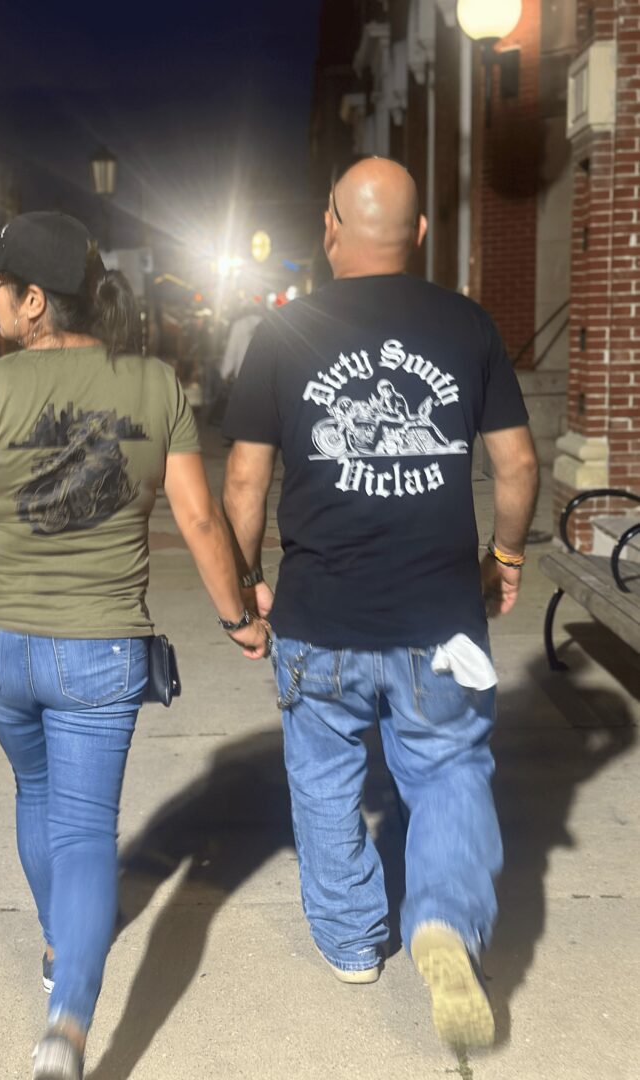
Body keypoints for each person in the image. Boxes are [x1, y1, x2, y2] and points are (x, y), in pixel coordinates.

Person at [0, 211, 269, 1080]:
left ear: (35, 301)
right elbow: (200, 519)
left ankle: (60, 942)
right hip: (100, 651)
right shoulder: (155, 385)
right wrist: (240, 616)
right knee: (86, 829)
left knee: (35, 788)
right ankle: (67, 1022)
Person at [221, 158, 539, 1050]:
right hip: (440, 614)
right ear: (420, 235)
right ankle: (443, 921)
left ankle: (353, 942)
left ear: (329, 227)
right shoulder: (467, 324)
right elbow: (517, 464)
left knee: (325, 777)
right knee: (448, 770)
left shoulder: (283, 333)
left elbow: (243, 479)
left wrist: (246, 584)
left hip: (319, 614)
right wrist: (505, 556)